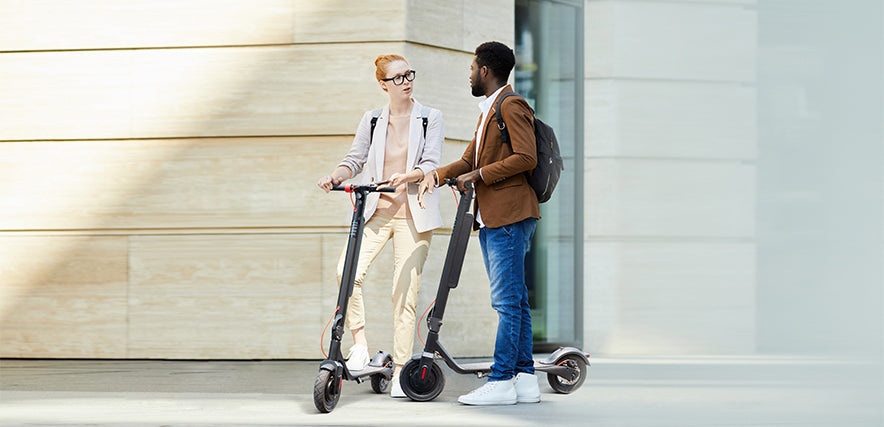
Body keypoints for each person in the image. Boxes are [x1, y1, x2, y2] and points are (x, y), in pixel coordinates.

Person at [418, 41, 540, 405]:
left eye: (472, 68)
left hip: (509, 216)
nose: (469, 73)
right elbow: (468, 159)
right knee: (515, 301)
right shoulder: (489, 110)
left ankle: (502, 380)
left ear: (485, 71)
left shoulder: (511, 105)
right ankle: (524, 377)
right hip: (495, 218)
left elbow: (526, 157)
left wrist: (479, 176)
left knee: (506, 302)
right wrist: (432, 176)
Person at [317, 54, 443, 398]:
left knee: (404, 292)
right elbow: (354, 159)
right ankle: (359, 344)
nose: (406, 82)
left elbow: (432, 161)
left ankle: (403, 368)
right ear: (383, 85)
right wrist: (336, 176)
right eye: (398, 78)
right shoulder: (372, 119)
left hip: (414, 215)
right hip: (377, 211)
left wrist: (412, 174)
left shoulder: (430, 117)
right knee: (346, 272)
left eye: (409, 75)